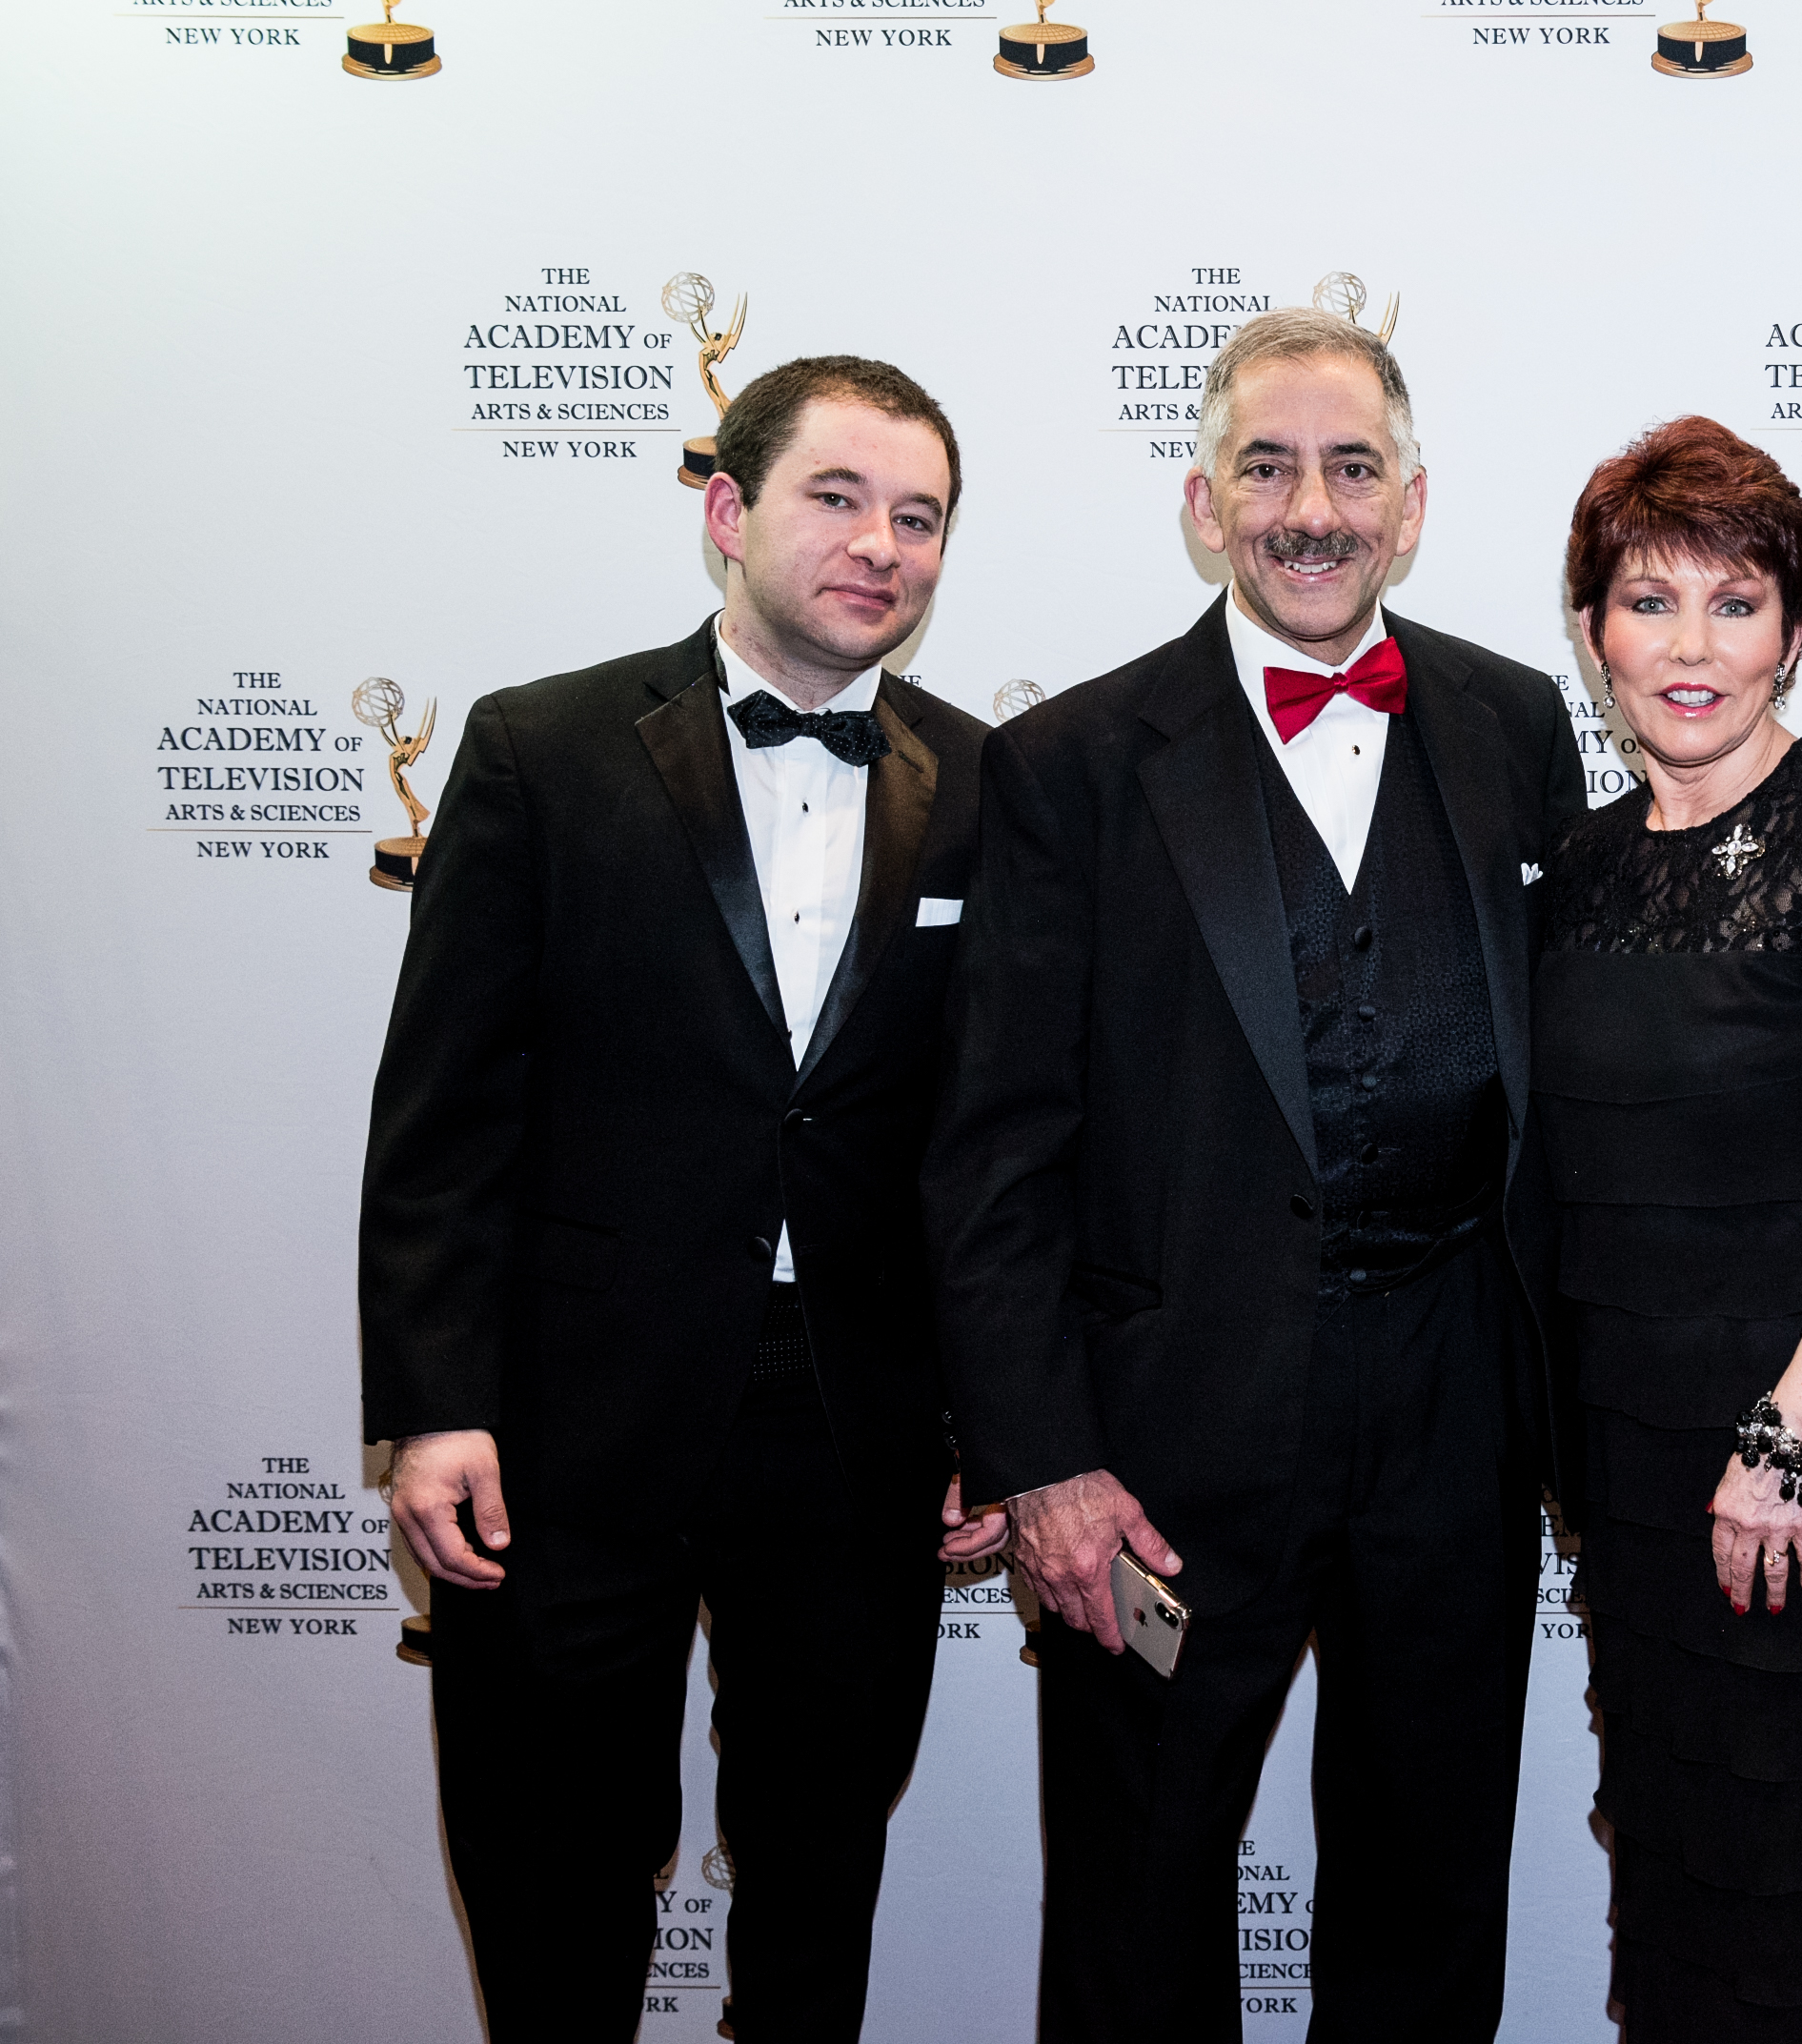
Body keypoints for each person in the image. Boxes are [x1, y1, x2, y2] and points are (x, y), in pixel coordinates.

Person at [920, 306, 1582, 2039]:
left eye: (1352, 469)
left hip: (1453, 1402)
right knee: (1137, 1889)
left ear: (1411, 507)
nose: (1311, 509)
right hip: (1160, 1436)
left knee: (1431, 1878)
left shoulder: (1516, 724)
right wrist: (1040, 1455)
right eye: (1268, 468)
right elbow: (995, 1146)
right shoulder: (1067, 763)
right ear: (1203, 503)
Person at [360, 354, 987, 2041]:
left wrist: (991, 1415)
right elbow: (444, 1105)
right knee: (554, 1865)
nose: (879, 543)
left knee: (818, 1867)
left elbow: (989, 1140)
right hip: (566, 1414)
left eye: (917, 515)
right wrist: (434, 1401)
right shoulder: (541, 747)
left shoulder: (987, 781)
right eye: (836, 498)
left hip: (854, 1421)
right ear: (726, 510)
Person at [1538, 415, 1802, 2041]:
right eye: (1649, 602)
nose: (1692, 647)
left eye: (1735, 604)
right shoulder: (1581, 866)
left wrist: (1788, 1436)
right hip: (1634, 1472)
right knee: (1677, 1883)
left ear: (1794, 630)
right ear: (1592, 630)